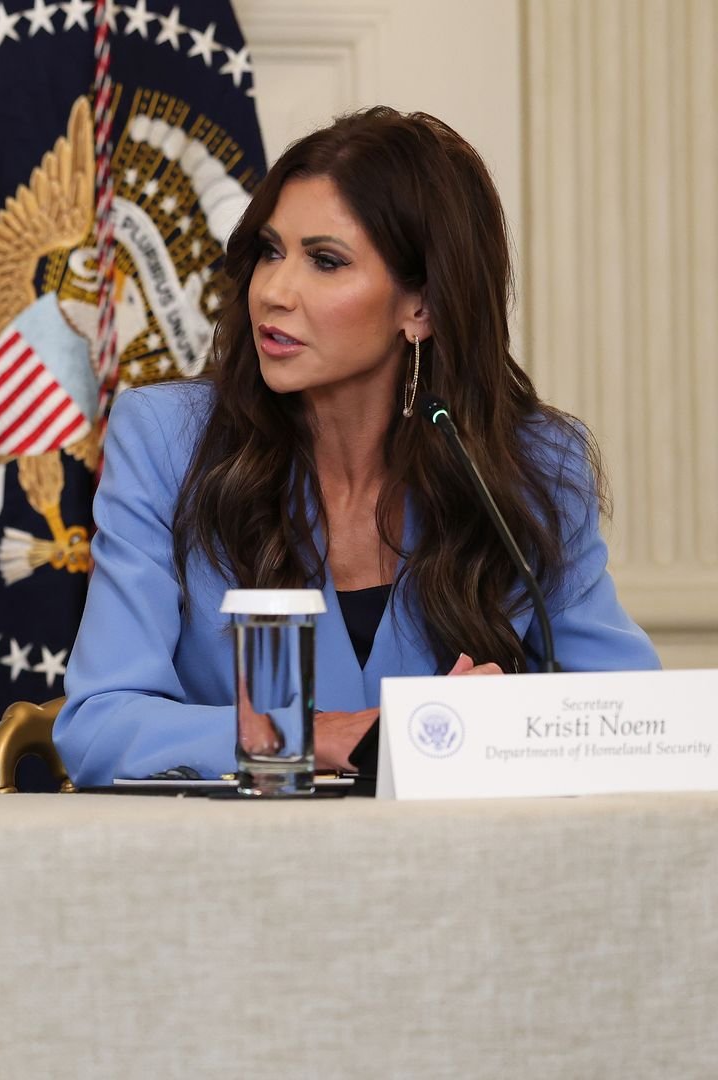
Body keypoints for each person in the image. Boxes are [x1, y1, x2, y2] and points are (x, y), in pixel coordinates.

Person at [53, 107, 658, 787]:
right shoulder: (168, 441)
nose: (274, 291)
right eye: (271, 252)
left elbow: (631, 714)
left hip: (460, 876)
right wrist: (310, 737)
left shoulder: (532, 465)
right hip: (235, 874)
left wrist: (499, 724)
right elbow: (99, 724)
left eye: (326, 261)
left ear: (421, 306)